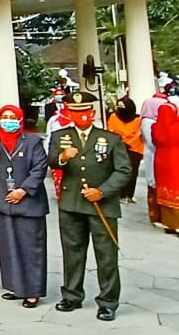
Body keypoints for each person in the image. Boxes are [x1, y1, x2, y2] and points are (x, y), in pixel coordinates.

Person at [49, 90, 132, 322]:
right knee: (72, 252)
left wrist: (103, 191)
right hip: (71, 202)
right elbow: (52, 160)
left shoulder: (110, 138)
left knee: (106, 255)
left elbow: (124, 170)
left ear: (93, 112)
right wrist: (64, 157)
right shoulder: (60, 136)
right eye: (76, 112)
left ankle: (107, 302)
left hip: (101, 205)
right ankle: (72, 295)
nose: (82, 116)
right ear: (69, 113)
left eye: (85, 111)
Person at [0, 104, 49, 308]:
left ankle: (32, 291)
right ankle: (15, 287)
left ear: (20, 119)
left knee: (31, 248)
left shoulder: (32, 141)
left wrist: (23, 190)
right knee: (8, 246)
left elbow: (40, 167)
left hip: (28, 201)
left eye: (13, 116)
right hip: (2, 200)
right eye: (4, 116)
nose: (8, 120)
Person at [149, 91, 179, 234]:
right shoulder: (177, 126)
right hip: (175, 160)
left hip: (160, 160)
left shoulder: (155, 127)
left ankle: (169, 224)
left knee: (165, 190)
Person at [141, 84, 170, 226]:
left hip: (161, 156)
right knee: (153, 185)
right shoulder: (148, 121)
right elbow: (153, 142)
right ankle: (155, 216)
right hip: (153, 155)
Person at [106, 96, 143, 204]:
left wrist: (129, 143)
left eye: (123, 106)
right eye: (118, 106)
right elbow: (111, 131)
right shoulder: (113, 117)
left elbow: (139, 134)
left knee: (133, 172)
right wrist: (121, 143)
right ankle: (121, 195)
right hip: (118, 147)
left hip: (134, 149)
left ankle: (130, 195)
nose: (120, 108)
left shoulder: (138, 119)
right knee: (120, 171)